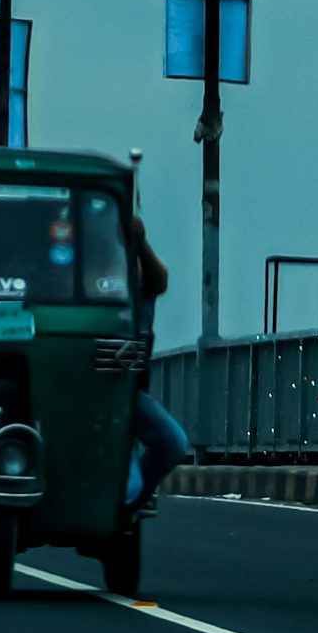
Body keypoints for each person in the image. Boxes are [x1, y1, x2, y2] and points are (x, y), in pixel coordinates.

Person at [122, 207, 192, 519]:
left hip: (126, 393)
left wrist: (140, 242)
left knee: (173, 442)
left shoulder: (139, 281)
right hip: (83, 390)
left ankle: (130, 510)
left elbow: (158, 280)